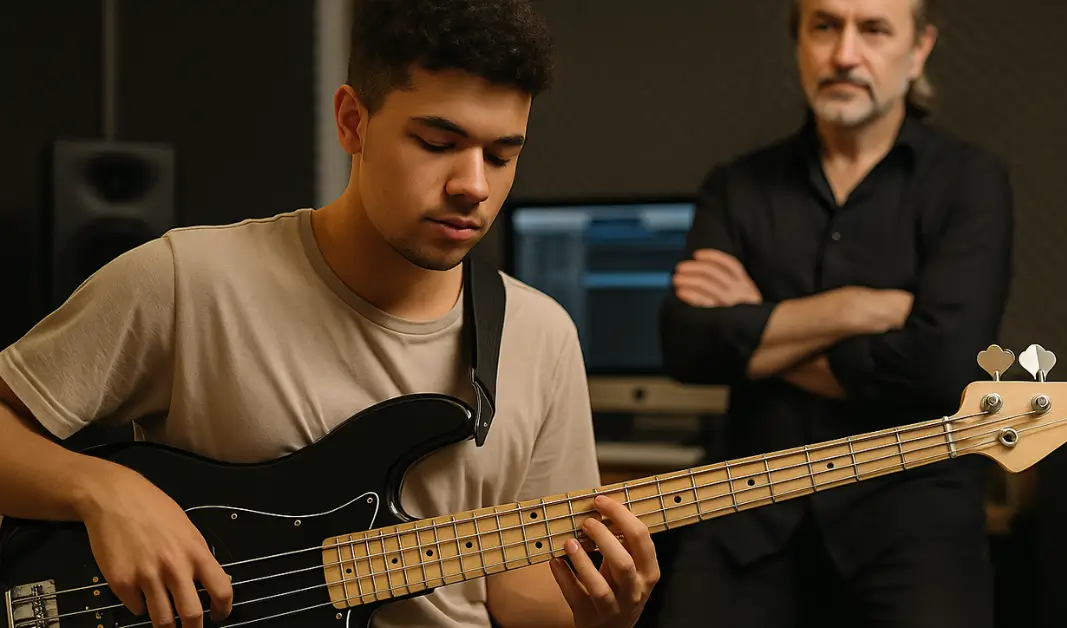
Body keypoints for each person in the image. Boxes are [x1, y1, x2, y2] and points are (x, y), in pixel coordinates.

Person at [0, 1, 660, 627]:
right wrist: (102, 491)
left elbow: (511, 594)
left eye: (501, 155)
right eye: (436, 141)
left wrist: (605, 614)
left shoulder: (540, 334)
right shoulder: (185, 280)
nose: (474, 186)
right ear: (352, 121)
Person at [654, 0, 1013, 626]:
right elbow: (688, 346)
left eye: (874, 29)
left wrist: (760, 324)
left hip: (913, 519)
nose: (845, 54)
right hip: (747, 512)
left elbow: (942, 367)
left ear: (919, 48)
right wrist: (858, 309)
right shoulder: (736, 186)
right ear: (799, 42)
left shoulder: (970, 182)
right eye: (825, 26)